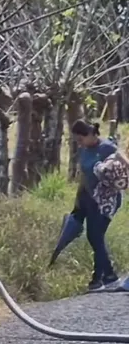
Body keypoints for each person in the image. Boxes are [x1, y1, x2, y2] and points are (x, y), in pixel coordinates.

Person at [70, 120, 121, 290]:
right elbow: (84, 176)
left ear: (91, 134)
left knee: (95, 235)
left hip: (107, 201)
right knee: (94, 236)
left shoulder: (107, 148)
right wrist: (78, 200)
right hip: (89, 198)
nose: (79, 143)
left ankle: (109, 275)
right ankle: (99, 279)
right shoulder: (84, 150)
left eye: (80, 139)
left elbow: (122, 165)